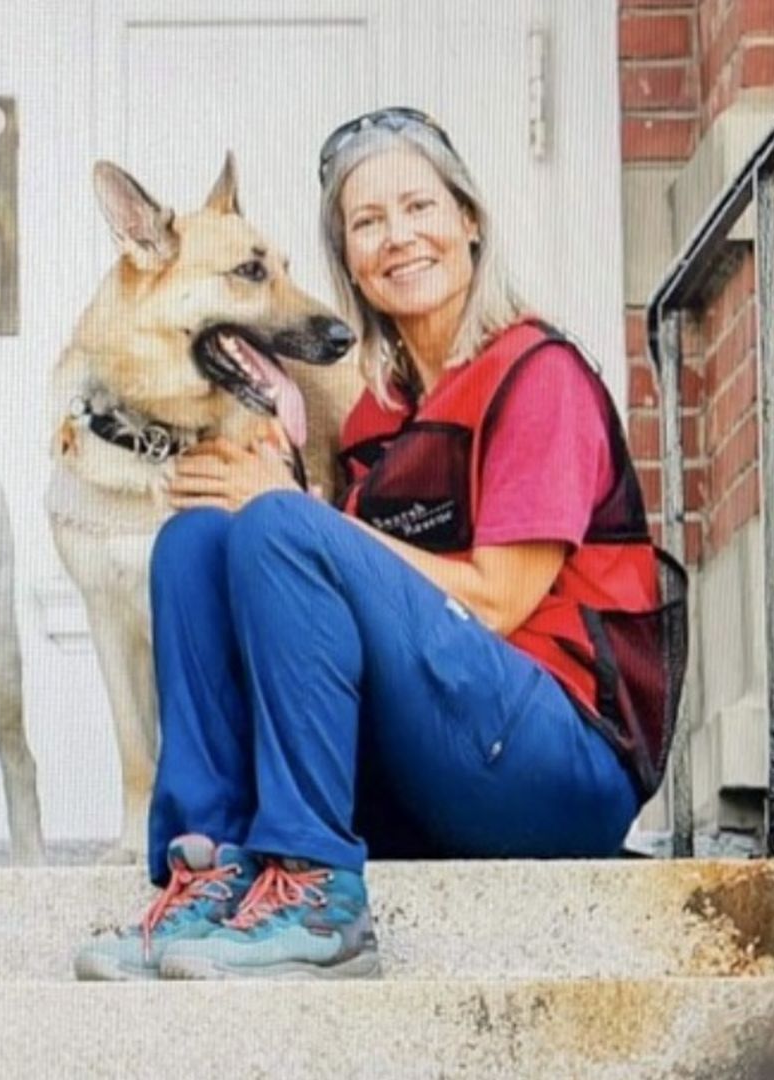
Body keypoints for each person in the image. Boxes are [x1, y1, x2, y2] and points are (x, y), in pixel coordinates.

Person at [75, 108, 683, 982]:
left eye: (420, 208)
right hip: (437, 757)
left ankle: (318, 891)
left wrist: (305, 515)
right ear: (349, 259)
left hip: (561, 764)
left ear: (468, 219)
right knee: (197, 539)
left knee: (281, 522)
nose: (398, 238)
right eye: (367, 223)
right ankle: (207, 867)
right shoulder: (376, 415)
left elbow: (500, 601)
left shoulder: (536, 375)